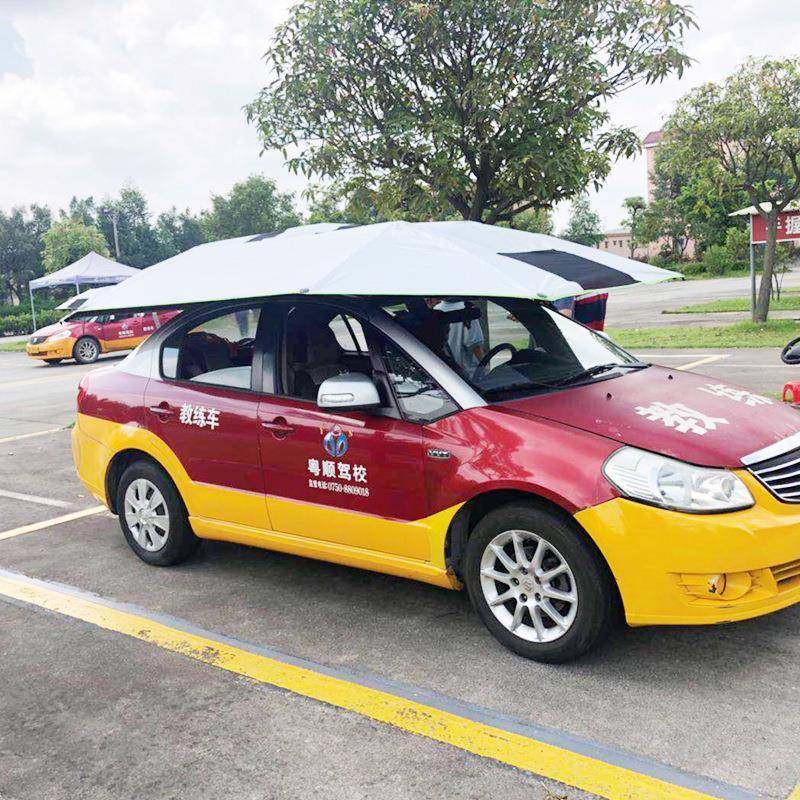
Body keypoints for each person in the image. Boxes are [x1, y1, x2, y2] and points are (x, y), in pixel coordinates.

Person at [429, 297, 485, 373]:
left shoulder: (436, 310)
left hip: (444, 369)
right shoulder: (467, 311)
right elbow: (475, 345)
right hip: (466, 373)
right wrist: (485, 367)